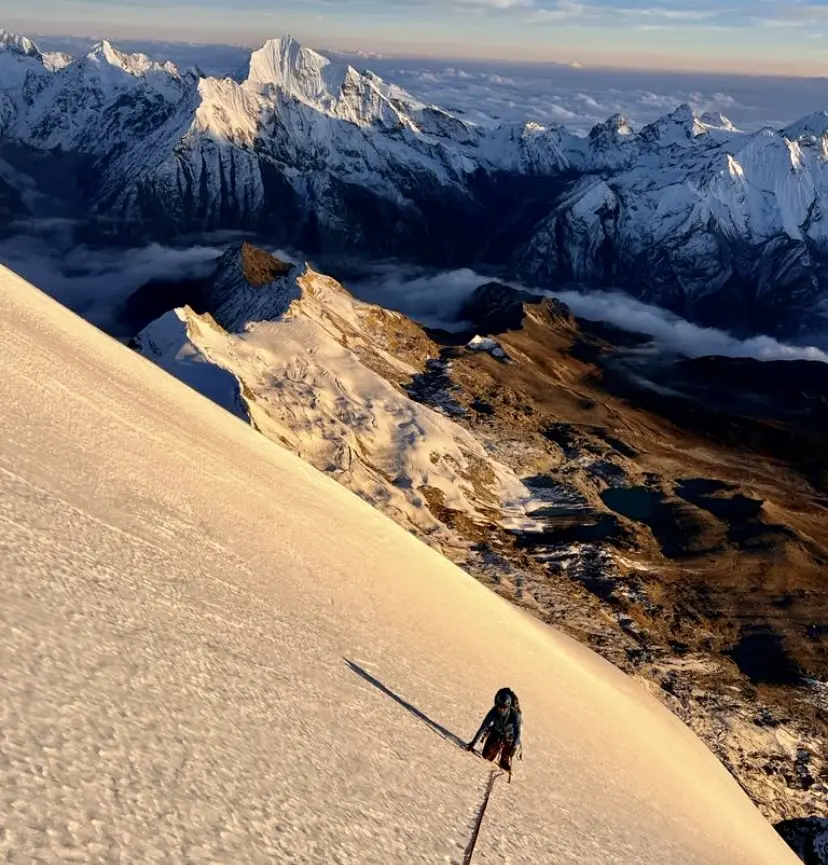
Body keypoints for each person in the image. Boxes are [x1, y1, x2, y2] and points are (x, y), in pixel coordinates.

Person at [466, 687, 522, 772]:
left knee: (509, 741)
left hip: (509, 737)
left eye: (503, 708)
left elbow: (517, 732)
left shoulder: (515, 716)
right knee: (486, 756)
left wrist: (513, 746)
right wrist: (473, 743)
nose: (501, 710)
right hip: (496, 733)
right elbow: (483, 727)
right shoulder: (493, 711)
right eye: (499, 707)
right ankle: (495, 748)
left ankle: (504, 757)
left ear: (508, 706)